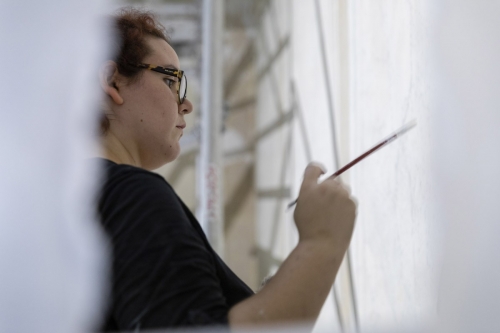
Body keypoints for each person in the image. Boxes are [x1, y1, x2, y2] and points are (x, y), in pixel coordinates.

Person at [96, 8, 357, 331]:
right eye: (170, 80)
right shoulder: (132, 198)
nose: (186, 104)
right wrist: (321, 242)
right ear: (113, 82)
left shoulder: (69, 206)